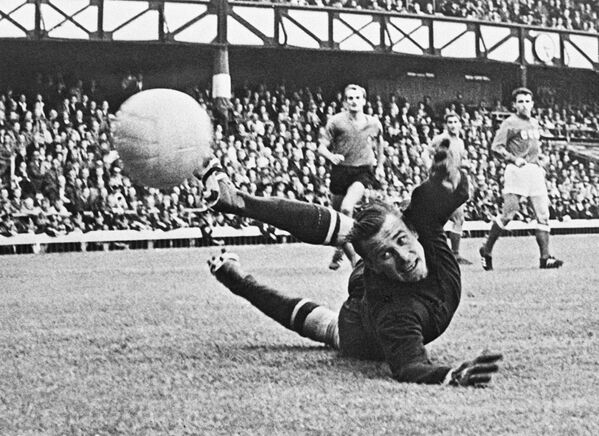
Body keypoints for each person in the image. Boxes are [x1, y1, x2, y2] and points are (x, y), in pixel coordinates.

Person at [199, 147, 503, 386]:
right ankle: (237, 275)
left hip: (371, 266)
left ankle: (237, 201)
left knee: (359, 232)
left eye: (402, 240)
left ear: (413, 230)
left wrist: (447, 176)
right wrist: (450, 375)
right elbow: (411, 366)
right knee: (327, 322)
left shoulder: (423, 228)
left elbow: (451, 193)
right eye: (387, 255)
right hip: (358, 328)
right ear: (374, 265)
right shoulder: (396, 312)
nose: (405, 257)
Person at [479, 88, 563, 270]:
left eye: (527, 101)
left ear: (532, 104)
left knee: (543, 215)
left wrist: (540, 159)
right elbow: (496, 147)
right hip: (517, 170)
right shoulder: (509, 123)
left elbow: (533, 147)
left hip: (534, 171)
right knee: (509, 214)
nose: (524, 105)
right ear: (514, 105)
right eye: (520, 101)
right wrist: (513, 158)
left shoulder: (534, 122)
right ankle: (487, 250)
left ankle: (545, 258)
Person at [318, 84, 385, 271]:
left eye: (357, 98)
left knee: (347, 209)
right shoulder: (336, 122)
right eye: (350, 98)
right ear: (345, 102)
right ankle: (341, 248)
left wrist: (379, 166)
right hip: (340, 172)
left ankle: (356, 261)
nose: (354, 101)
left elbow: (380, 142)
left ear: (364, 101)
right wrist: (331, 156)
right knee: (338, 217)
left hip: (362, 171)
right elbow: (321, 147)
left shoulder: (373, 123)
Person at [426, 112, 472, 265]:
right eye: (450, 122)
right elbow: (425, 155)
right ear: (446, 125)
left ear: (460, 124)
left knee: (456, 218)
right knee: (454, 218)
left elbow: (457, 162)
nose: (453, 125)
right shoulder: (440, 139)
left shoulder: (460, 141)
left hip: (455, 182)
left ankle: (452, 254)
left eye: (455, 121)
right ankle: (452, 255)